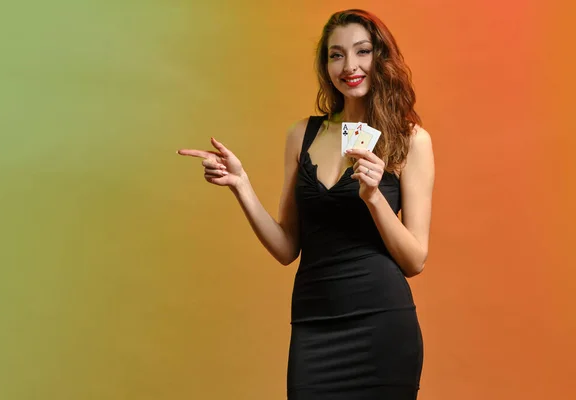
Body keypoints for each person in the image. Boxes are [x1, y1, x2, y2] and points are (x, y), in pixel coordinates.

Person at [178, 8, 434, 400]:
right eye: (336, 54)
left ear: (381, 58)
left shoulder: (411, 141)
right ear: (325, 64)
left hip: (382, 327)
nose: (350, 65)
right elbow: (286, 248)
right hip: (315, 325)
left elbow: (415, 261)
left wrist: (374, 198)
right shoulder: (302, 134)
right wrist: (241, 185)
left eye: (362, 51)